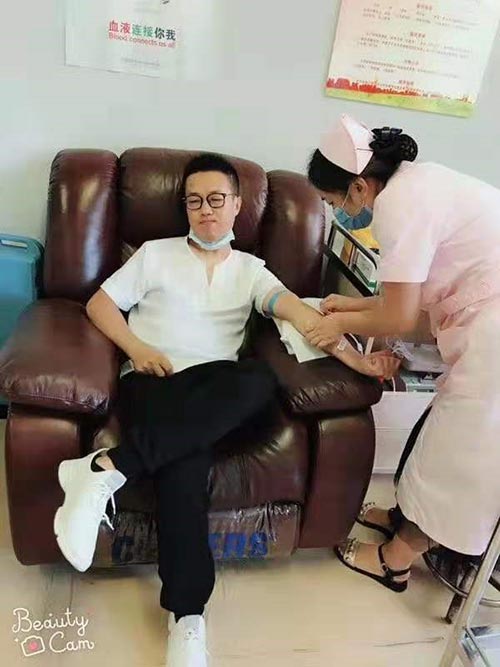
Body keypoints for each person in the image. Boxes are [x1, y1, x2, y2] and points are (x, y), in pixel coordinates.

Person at [52, 152, 400, 667]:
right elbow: (99, 304)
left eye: (216, 199)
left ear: (238, 205)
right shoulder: (154, 254)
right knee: (184, 463)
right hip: (155, 381)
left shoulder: (252, 271)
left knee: (258, 379)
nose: (206, 211)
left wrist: (360, 362)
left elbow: (304, 319)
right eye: (194, 201)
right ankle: (187, 617)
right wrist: (137, 349)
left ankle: (106, 469)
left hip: (216, 393)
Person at [304, 114, 500, 593]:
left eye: (332, 201)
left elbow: (398, 317)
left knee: (459, 452)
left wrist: (336, 324)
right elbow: (405, 299)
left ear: (358, 186)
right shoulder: (414, 182)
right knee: (436, 435)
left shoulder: (397, 206)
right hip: (480, 314)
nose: (336, 212)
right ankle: (403, 517)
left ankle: (396, 560)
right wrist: (349, 307)